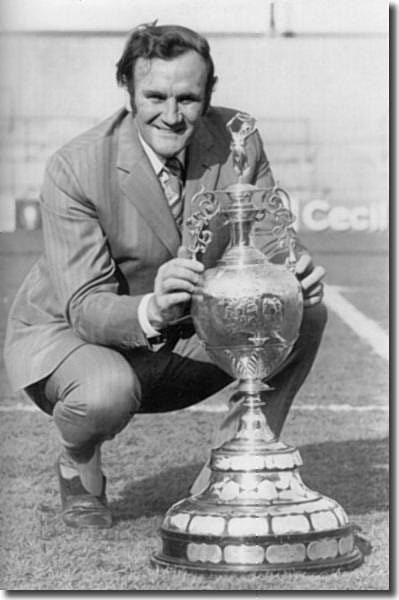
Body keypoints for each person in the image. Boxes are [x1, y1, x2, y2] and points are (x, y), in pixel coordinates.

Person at [4, 23, 327, 529]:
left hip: (185, 332)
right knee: (106, 391)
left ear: (209, 94)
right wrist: (151, 309)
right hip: (76, 337)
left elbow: (267, 234)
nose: (172, 116)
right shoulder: (76, 166)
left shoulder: (239, 138)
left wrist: (293, 270)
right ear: (128, 90)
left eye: (188, 99)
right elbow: (86, 306)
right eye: (155, 96)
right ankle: (78, 465)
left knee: (302, 310)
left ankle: (229, 469)